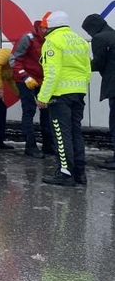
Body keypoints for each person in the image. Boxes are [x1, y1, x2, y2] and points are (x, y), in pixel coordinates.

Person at [38, 10, 92, 187]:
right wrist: (81, 89)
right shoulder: (80, 41)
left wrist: (43, 96)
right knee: (76, 133)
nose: (43, 30)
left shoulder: (52, 42)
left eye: (45, 27)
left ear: (51, 26)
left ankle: (65, 173)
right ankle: (80, 174)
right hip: (78, 93)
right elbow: (87, 69)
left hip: (59, 96)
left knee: (61, 134)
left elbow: (52, 72)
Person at [9, 20, 55, 158]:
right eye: (48, 29)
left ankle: (48, 145)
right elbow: (14, 60)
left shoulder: (50, 39)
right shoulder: (28, 38)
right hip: (25, 80)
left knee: (46, 111)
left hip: (41, 80)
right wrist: (25, 77)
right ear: (42, 28)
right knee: (29, 111)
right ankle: (30, 146)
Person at [82, 13, 115, 170]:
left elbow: (98, 64)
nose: (89, 34)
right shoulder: (112, 34)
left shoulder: (100, 38)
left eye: (88, 31)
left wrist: (82, 63)